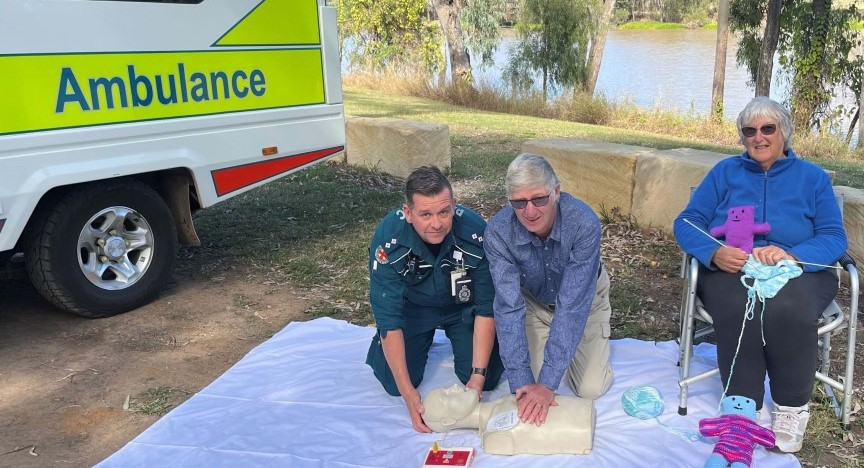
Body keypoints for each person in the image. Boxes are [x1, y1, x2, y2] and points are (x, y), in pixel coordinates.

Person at [673, 96, 848, 453]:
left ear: (784, 132)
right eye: (749, 131)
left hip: (800, 268)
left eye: (768, 128)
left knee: (790, 307)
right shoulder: (725, 172)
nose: (759, 137)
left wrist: (793, 256)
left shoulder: (812, 178)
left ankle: (791, 406)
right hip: (733, 266)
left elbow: (834, 236)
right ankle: (741, 404)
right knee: (739, 305)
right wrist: (714, 252)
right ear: (742, 138)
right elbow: (687, 222)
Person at [365, 165, 504, 433]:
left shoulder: (476, 233)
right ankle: (390, 347)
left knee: (486, 379)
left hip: (463, 308)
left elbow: (487, 307)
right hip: (414, 309)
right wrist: (409, 395)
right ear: (408, 213)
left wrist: (477, 376)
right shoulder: (389, 239)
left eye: (443, 211)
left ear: (454, 204)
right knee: (395, 385)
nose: (436, 223)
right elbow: (389, 319)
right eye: (425, 214)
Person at [484, 153, 613, 428]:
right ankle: (553, 346)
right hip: (534, 301)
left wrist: (547, 384)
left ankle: (590, 341)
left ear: (556, 191)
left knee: (590, 389)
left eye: (539, 199)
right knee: (524, 383)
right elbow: (508, 306)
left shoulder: (584, 222)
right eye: (519, 202)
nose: (530, 211)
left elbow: (573, 304)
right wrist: (522, 378)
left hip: (585, 300)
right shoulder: (497, 233)